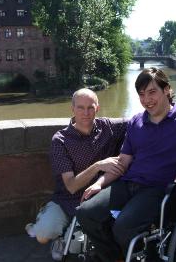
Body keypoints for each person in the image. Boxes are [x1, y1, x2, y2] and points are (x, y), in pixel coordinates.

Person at [76, 67, 176, 262]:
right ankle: (114, 257)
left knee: (123, 227)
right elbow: (123, 162)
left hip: (158, 189)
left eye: (152, 92)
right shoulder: (136, 122)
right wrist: (100, 183)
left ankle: (144, 254)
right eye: (141, 94)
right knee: (86, 213)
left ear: (166, 90)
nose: (146, 100)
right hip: (127, 184)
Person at [26, 88, 127, 260]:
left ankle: (68, 236)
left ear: (98, 108)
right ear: (72, 109)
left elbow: (142, 121)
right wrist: (97, 166)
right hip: (67, 199)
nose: (86, 113)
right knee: (42, 236)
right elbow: (71, 186)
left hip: (95, 199)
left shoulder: (109, 127)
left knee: (78, 245)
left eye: (90, 107)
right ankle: (48, 220)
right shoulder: (60, 140)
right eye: (80, 107)